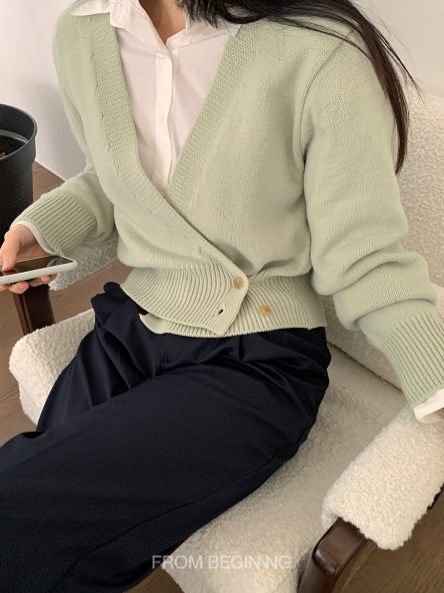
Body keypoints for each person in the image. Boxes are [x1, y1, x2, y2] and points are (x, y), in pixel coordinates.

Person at [1, 0, 444, 591]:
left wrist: (437, 379)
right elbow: (112, 180)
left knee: (21, 512)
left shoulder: (320, 51)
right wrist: (42, 227)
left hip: (257, 357)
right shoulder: (82, 34)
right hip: (134, 326)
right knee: (41, 536)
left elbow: (366, 258)